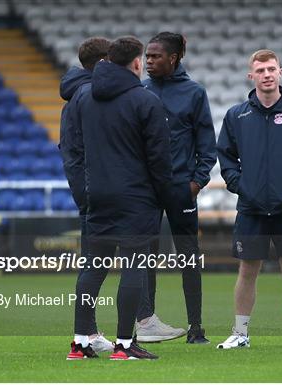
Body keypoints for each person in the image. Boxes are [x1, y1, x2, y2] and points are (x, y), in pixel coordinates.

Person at [66, 36, 171, 360]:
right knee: (134, 266)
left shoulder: (83, 96)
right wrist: (162, 195)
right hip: (135, 196)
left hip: (97, 194)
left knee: (92, 267)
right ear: (137, 62)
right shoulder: (146, 100)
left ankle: (80, 342)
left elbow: (77, 147)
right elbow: (159, 158)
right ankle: (124, 344)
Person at [216, 49, 282, 349]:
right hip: (251, 206)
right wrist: (240, 185)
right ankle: (240, 333)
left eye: (271, 69)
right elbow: (226, 156)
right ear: (251, 76)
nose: (267, 74)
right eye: (261, 71)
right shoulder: (236, 115)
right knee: (247, 269)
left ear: (281, 72)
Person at [138, 32, 216, 344]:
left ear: (173, 58)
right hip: (146, 190)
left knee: (189, 258)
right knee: (145, 256)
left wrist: (196, 183)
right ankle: (147, 324)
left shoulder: (195, 93)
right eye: (146, 56)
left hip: (182, 188)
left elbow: (206, 145)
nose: (148, 61)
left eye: (155, 56)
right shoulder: (140, 91)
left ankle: (195, 328)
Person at [59, 36, 113, 353]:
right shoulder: (88, 96)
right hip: (95, 192)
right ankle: (83, 337)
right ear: (104, 62)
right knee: (96, 264)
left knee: (97, 263)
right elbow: (79, 153)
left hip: (89, 189)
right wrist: (89, 193)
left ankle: (88, 333)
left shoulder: (78, 94)